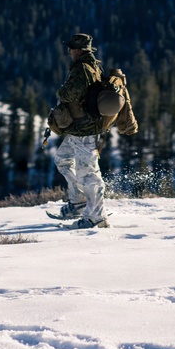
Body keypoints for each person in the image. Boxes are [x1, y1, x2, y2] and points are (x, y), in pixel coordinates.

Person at [51, 33, 110, 229]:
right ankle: (78, 202)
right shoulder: (93, 66)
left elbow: (70, 93)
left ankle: (96, 217)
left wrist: (60, 92)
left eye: (70, 48)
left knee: (89, 174)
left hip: (84, 130)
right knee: (63, 159)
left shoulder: (82, 69)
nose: (68, 51)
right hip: (80, 129)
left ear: (78, 50)